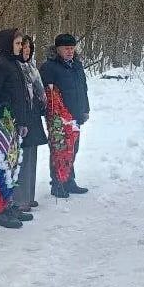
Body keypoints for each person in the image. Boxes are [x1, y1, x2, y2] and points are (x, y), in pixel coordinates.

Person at [0, 28, 32, 228]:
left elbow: (20, 95)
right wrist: (5, 115)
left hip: (15, 123)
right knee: (2, 166)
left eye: (22, 44)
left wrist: (22, 120)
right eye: (18, 43)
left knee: (12, 166)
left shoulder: (15, 64)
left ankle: (9, 203)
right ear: (7, 44)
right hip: (3, 124)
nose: (21, 47)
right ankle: (0, 208)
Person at [40, 34, 90, 197]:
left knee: (73, 149)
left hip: (75, 113)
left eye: (72, 48)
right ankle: (57, 183)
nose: (70, 51)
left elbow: (83, 88)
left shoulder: (77, 65)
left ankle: (69, 180)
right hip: (58, 117)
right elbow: (45, 93)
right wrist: (52, 112)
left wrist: (85, 109)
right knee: (59, 149)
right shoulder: (49, 67)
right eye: (66, 49)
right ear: (58, 49)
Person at [14, 36, 46, 211]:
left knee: (31, 158)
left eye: (28, 47)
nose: (26, 50)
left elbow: (38, 90)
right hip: (21, 118)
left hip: (33, 118)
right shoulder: (15, 68)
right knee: (21, 160)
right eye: (23, 46)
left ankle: (28, 195)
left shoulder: (31, 67)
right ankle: (19, 199)